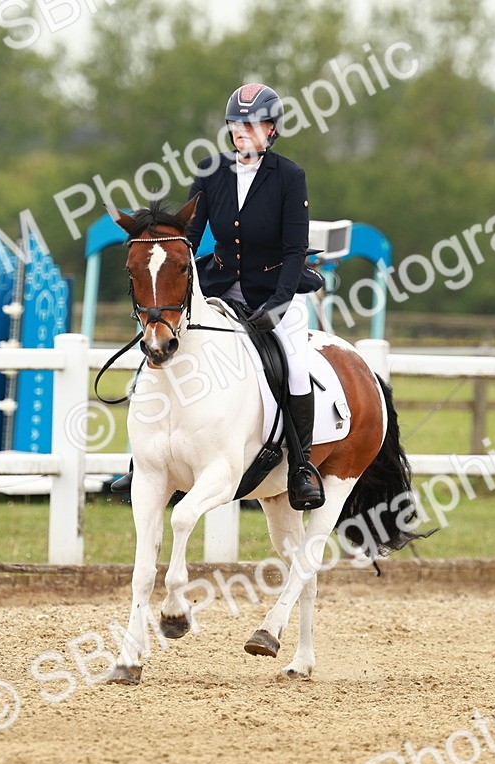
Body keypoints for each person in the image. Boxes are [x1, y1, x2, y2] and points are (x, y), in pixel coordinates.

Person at [186, 83, 326, 510]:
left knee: (297, 366)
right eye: (236, 124)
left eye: (251, 124)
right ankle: (142, 461)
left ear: (271, 129)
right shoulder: (211, 171)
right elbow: (190, 238)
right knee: (165, 348)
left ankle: (301, 467)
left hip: (276, 289)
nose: (242, 131)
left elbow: (292, 251)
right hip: (222, 284)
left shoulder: (289, 176)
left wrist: (278, 306)